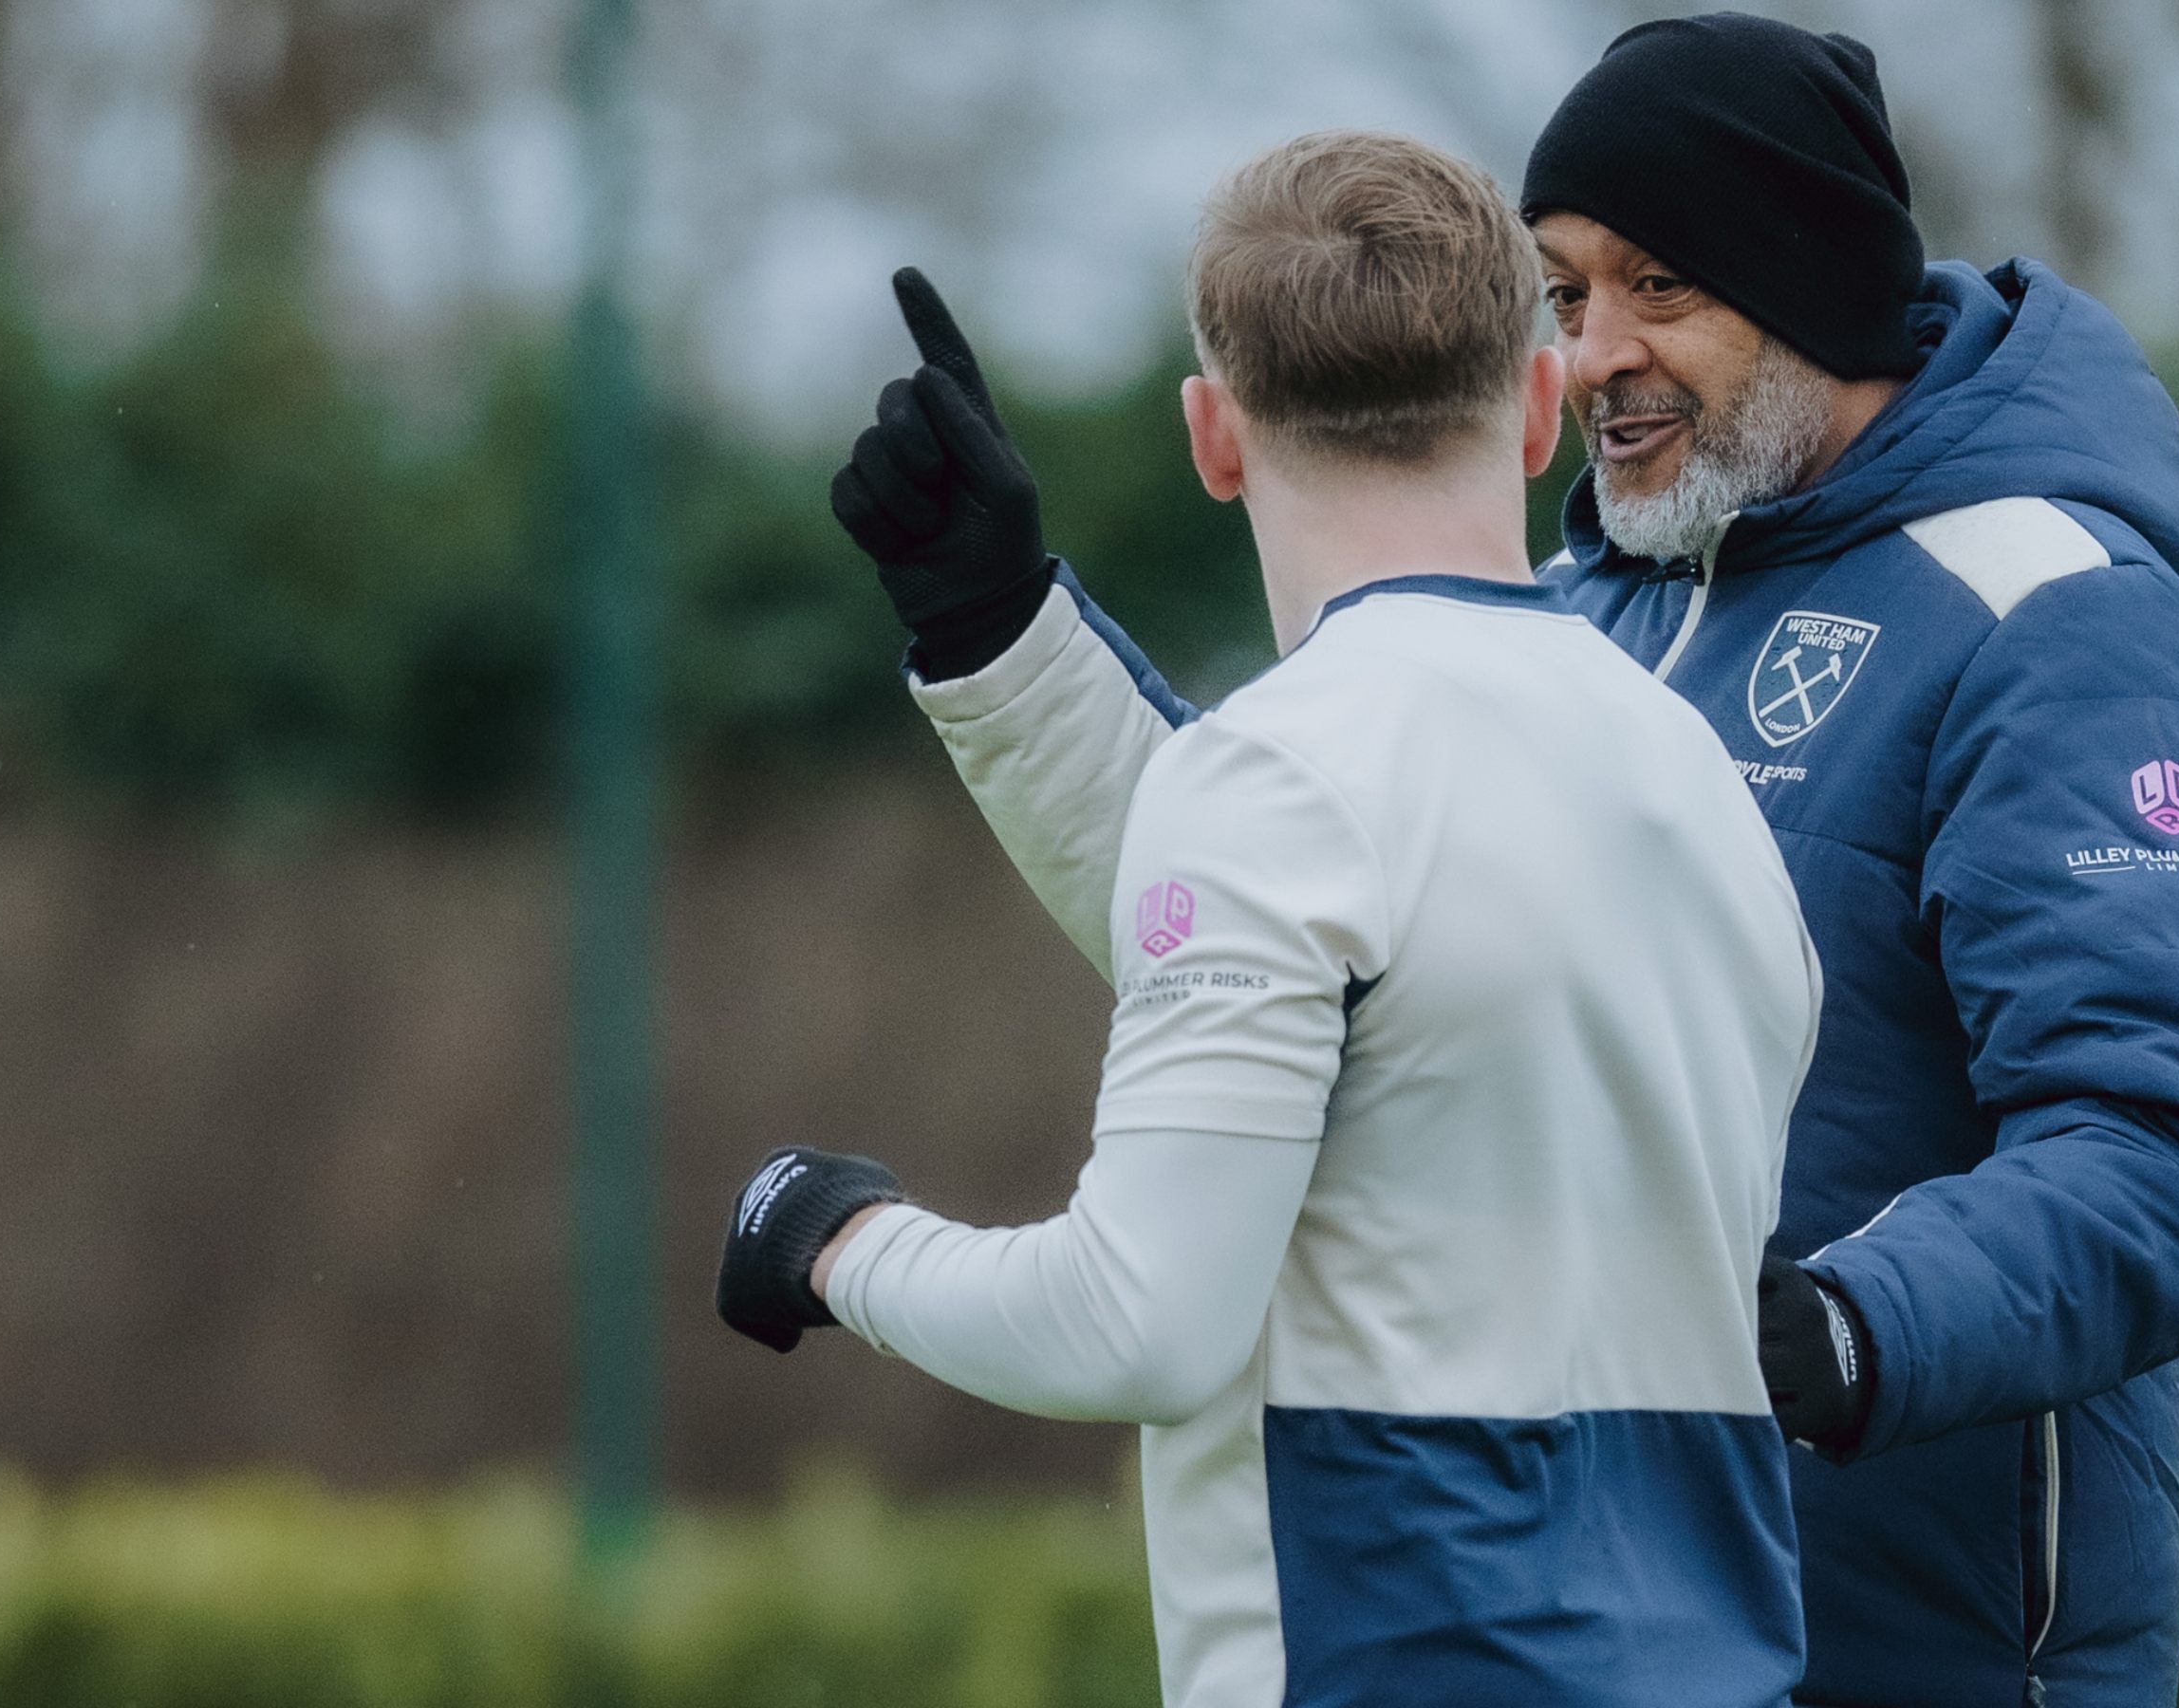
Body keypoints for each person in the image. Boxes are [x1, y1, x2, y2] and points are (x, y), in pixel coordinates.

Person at [823, 16, 2179, 1708]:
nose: (1595, 357)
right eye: (1567, 295)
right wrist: (1002, 637)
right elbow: (1259, 935)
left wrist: (1853, 1321)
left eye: (1662, 288)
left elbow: (2167, 1150)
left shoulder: (2056, 612)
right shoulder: (1590, 607)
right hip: (1617, 1649)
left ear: (1812, 285)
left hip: (1931, 1658)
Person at [718, 130, 1824, 1707]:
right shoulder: (1707, 782)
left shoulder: (1275, 776)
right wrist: (997, 630)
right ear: (1531, 411)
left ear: (1212, 437)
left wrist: (835, 1240)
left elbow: (1136, 1324)